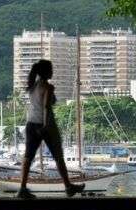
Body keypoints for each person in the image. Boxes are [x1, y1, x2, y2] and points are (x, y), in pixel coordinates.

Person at [17, 60, 85, 199]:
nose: (53, 71)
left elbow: (45, 103)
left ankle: (22, 188)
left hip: (31, 123)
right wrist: (46, 126)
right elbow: (47, 107)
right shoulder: (48, 87)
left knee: (28, 157)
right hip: (46, 124)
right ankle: (68, 187)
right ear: (46, 71)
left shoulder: (33, 86)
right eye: (51, 69)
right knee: (58, 157)